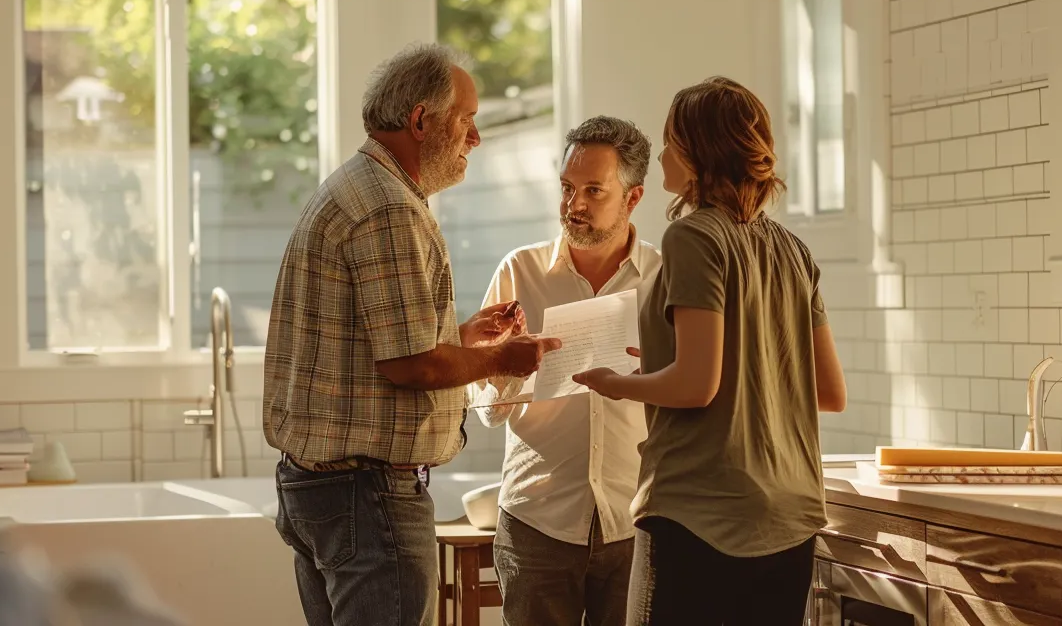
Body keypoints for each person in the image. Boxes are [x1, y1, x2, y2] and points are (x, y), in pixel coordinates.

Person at [262, 43, 561, 626]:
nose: (476, 138)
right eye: (466, 120)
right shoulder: (389, 209)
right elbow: (410, 366)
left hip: (321, 488)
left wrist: (465, 336)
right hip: (367, 496)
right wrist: (506, 359)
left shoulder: (356, 186)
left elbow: (380, 341)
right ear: (421, 120)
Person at [573, 76, 847, 626]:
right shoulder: (792, 249)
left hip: (700, 517)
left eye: (673, 141)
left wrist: (617, 382)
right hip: (790, 519)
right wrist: (664, 368)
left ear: (700, 154)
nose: (665, 152)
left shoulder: (693, 236)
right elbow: (829, 392)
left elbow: (697, 385)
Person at [469, 116, 659, 626]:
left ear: (633, 197)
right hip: (538, 521)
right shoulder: (519, 271)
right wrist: (506, 365)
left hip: (636, 519)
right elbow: (485, 412)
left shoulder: (666, 278)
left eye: (593, 190)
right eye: (567, 188)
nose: (573, 205)